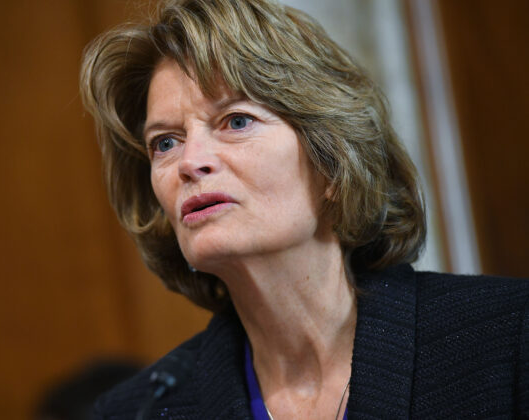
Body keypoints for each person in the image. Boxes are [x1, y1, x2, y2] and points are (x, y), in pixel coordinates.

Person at [79, 0, 529, 418]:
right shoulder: (133, 411)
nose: (190, 163)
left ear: (332, 162)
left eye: (236, 121)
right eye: (165, 143)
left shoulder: (509, 339)